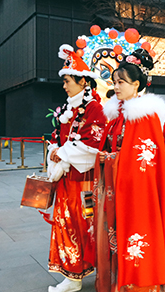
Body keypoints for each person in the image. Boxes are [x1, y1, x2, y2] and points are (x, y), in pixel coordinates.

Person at [97, 49, 165, 291]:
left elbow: (143, 163)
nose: (116, 87)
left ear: (136, 84)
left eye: (121, 82)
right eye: (114, 82)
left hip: (137, 191)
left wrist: (112, 159)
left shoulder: (143, 117)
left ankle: (140, 284)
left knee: (137, 235)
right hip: (116, 187)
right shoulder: (119, 115)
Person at [46, 44, 107, 292]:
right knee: (65, 225)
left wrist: (62, 153)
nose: (64, 85)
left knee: (87, 227)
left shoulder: (94, 108)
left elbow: (93, 143)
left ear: (83, 82)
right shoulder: (68, 108)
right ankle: (72, 275)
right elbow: (56, 137)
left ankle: (88, 271)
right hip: (66, 180)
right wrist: (53, 150)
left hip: (85, 182)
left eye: (68, 80)